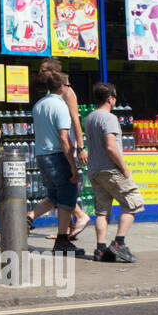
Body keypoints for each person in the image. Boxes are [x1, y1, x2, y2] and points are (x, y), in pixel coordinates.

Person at [26, 58, 90, 238]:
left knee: (63, 190)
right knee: (60, 192)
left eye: (42, 70)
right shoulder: (50, 95)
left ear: (53, 73)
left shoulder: (67, 92)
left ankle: (75, 222)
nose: (39, 74)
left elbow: (75, 120)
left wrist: (80, 147)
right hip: (58, 147)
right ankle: (68, 229)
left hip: (65, 147)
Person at [84, 82, 141, 263]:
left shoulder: (90, 118)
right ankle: (119, 243)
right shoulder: (109, 118)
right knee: (133, 203)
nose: (115, 100)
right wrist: (123, 168)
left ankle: (100, 250)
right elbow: (110, 146)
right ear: (110, 98)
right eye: (114, 96)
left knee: (102, 211)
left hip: (95, 170)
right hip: (111, 169)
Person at [32, 70, 81, 256]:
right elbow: (64, 138)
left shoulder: (38, 105)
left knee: (53, 197)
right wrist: (73, 165)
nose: (69, 89)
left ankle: (28, 220)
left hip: (41, 156)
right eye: (68, 86)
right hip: (57, 156)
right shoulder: (60, 106)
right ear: (62, 87)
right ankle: (62, 240)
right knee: (67, 199)